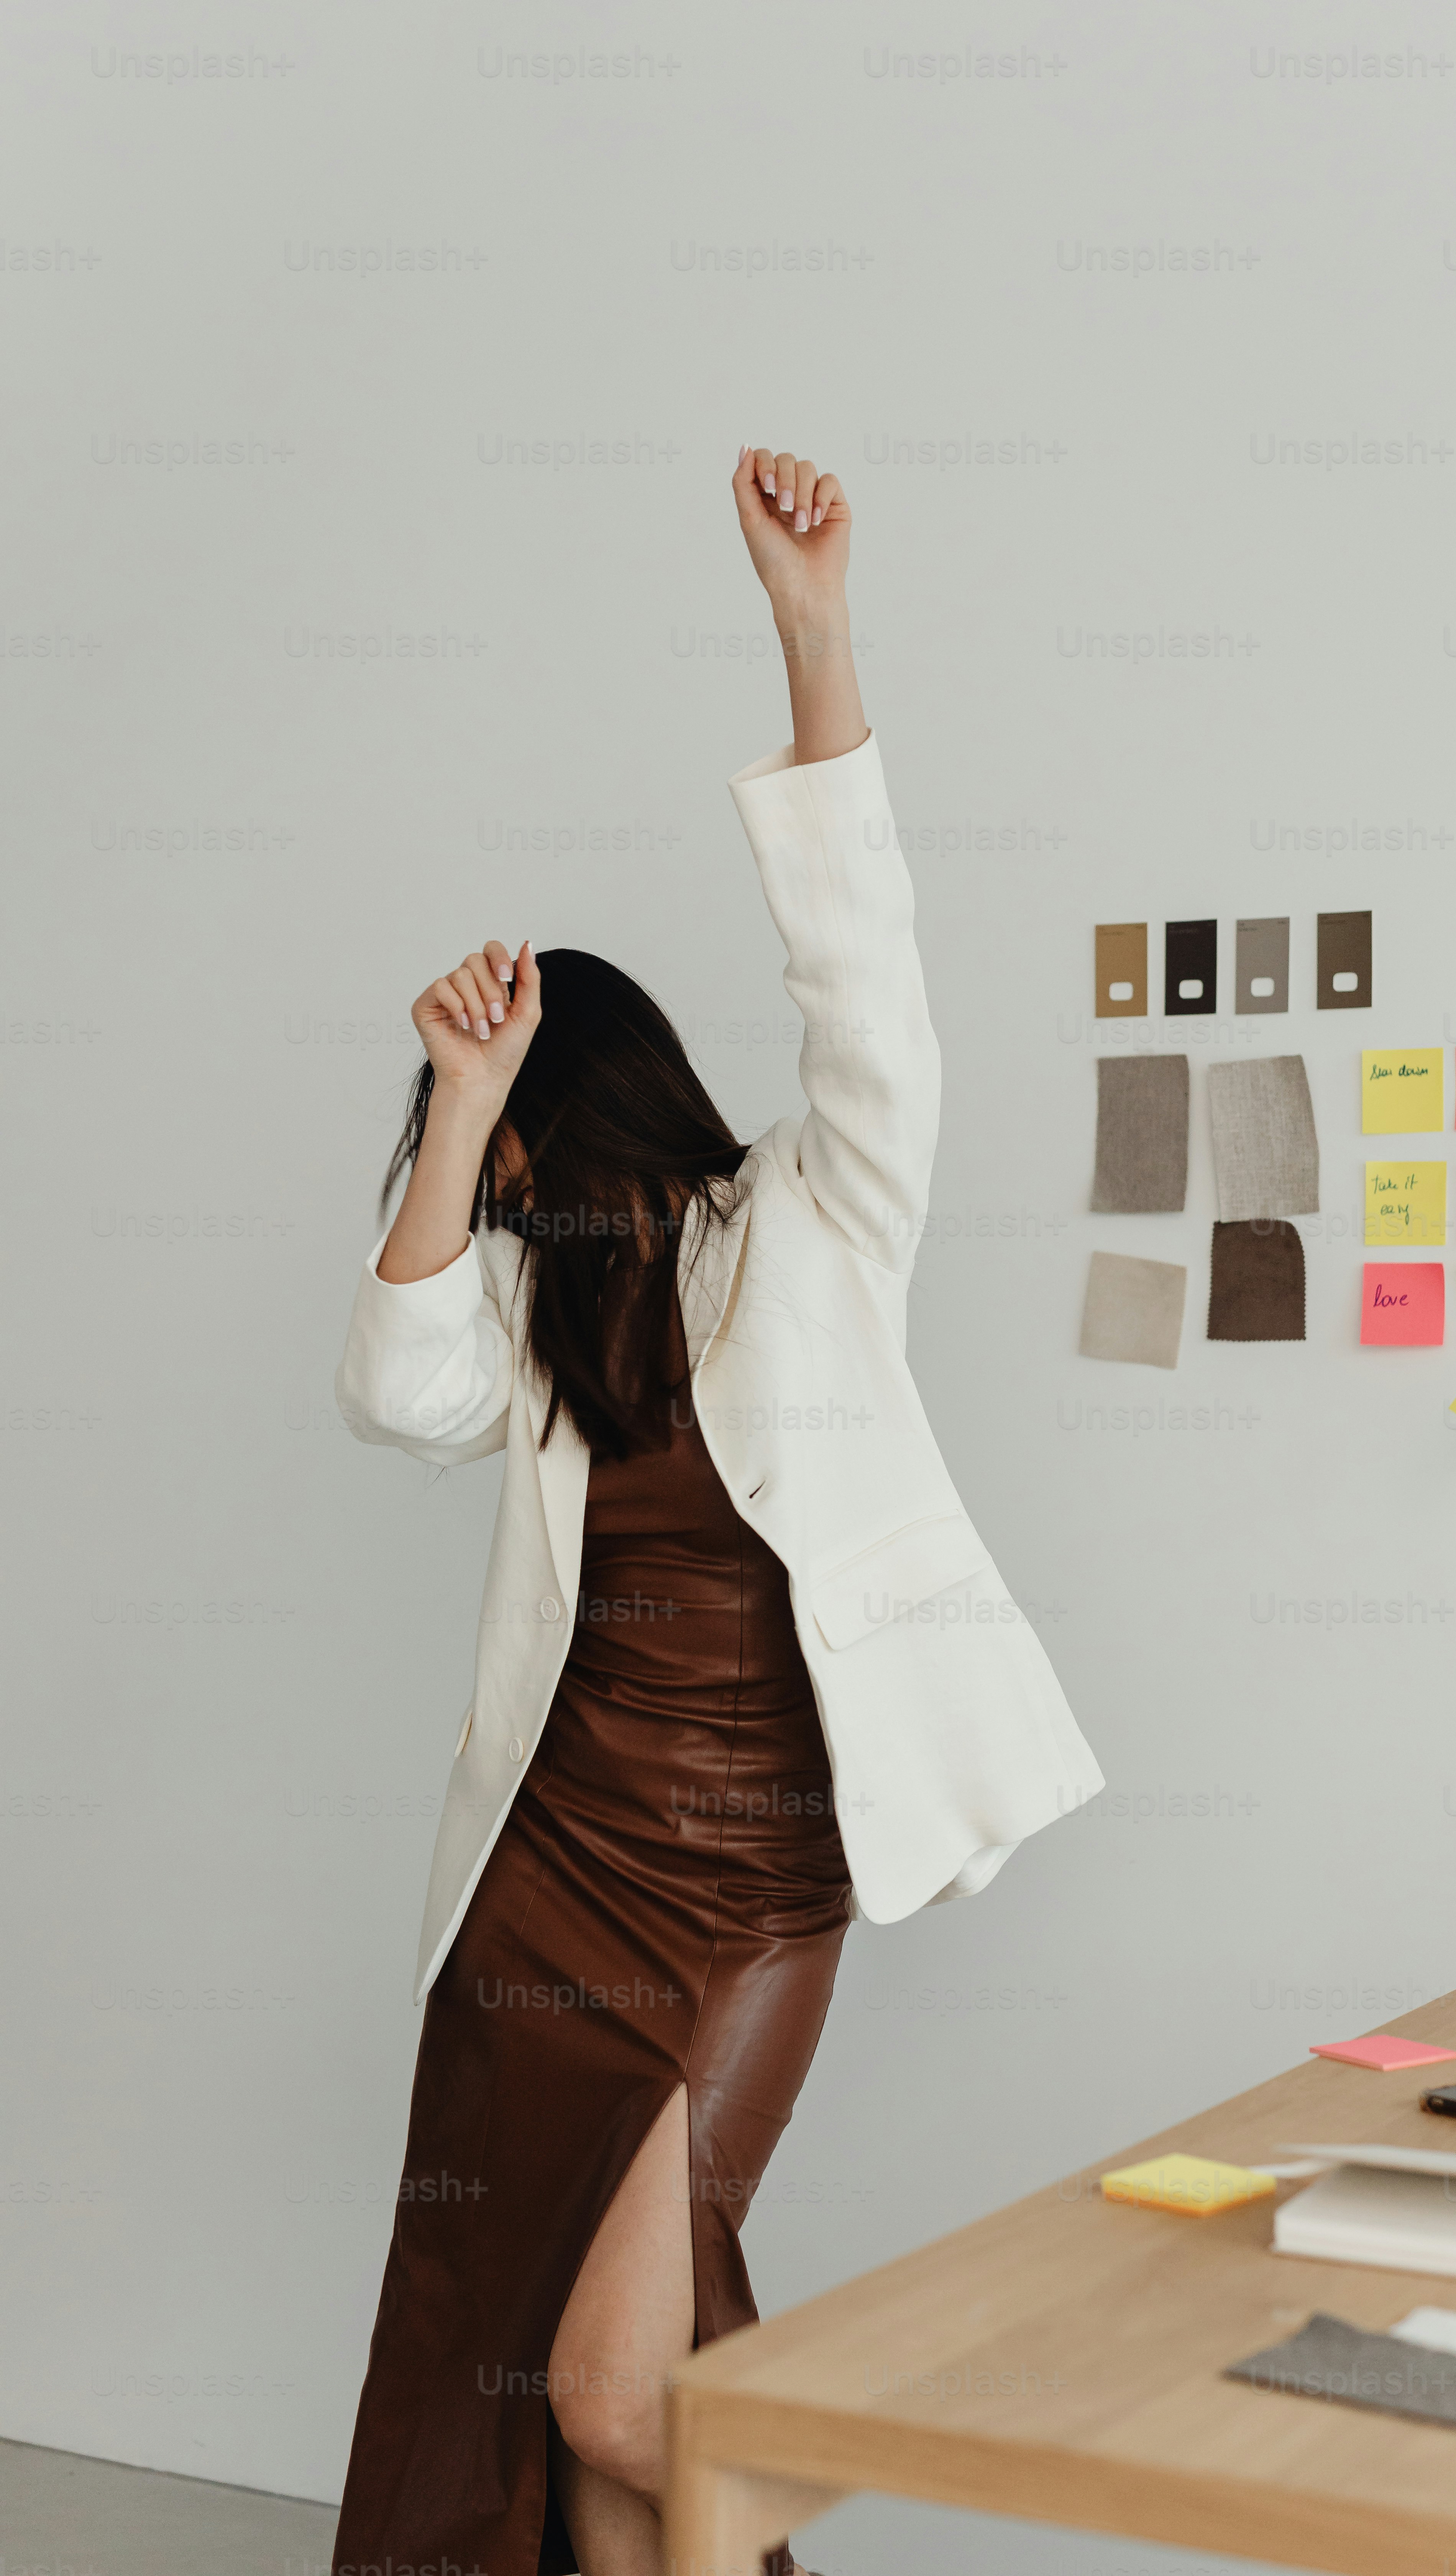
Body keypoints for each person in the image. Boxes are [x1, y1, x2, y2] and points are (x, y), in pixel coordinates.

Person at [328, 446, 1103, 2576]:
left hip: (757, 1878)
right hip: (553, 1871)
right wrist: (455, 1106)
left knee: (610, 2388)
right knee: (587, 2384)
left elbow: (870, 993)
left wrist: (813, 630)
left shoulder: (814, 1224)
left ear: (598, 1104)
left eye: (507, 1145)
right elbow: (390, 1389)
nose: (494, 1190)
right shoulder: (531, 1321)